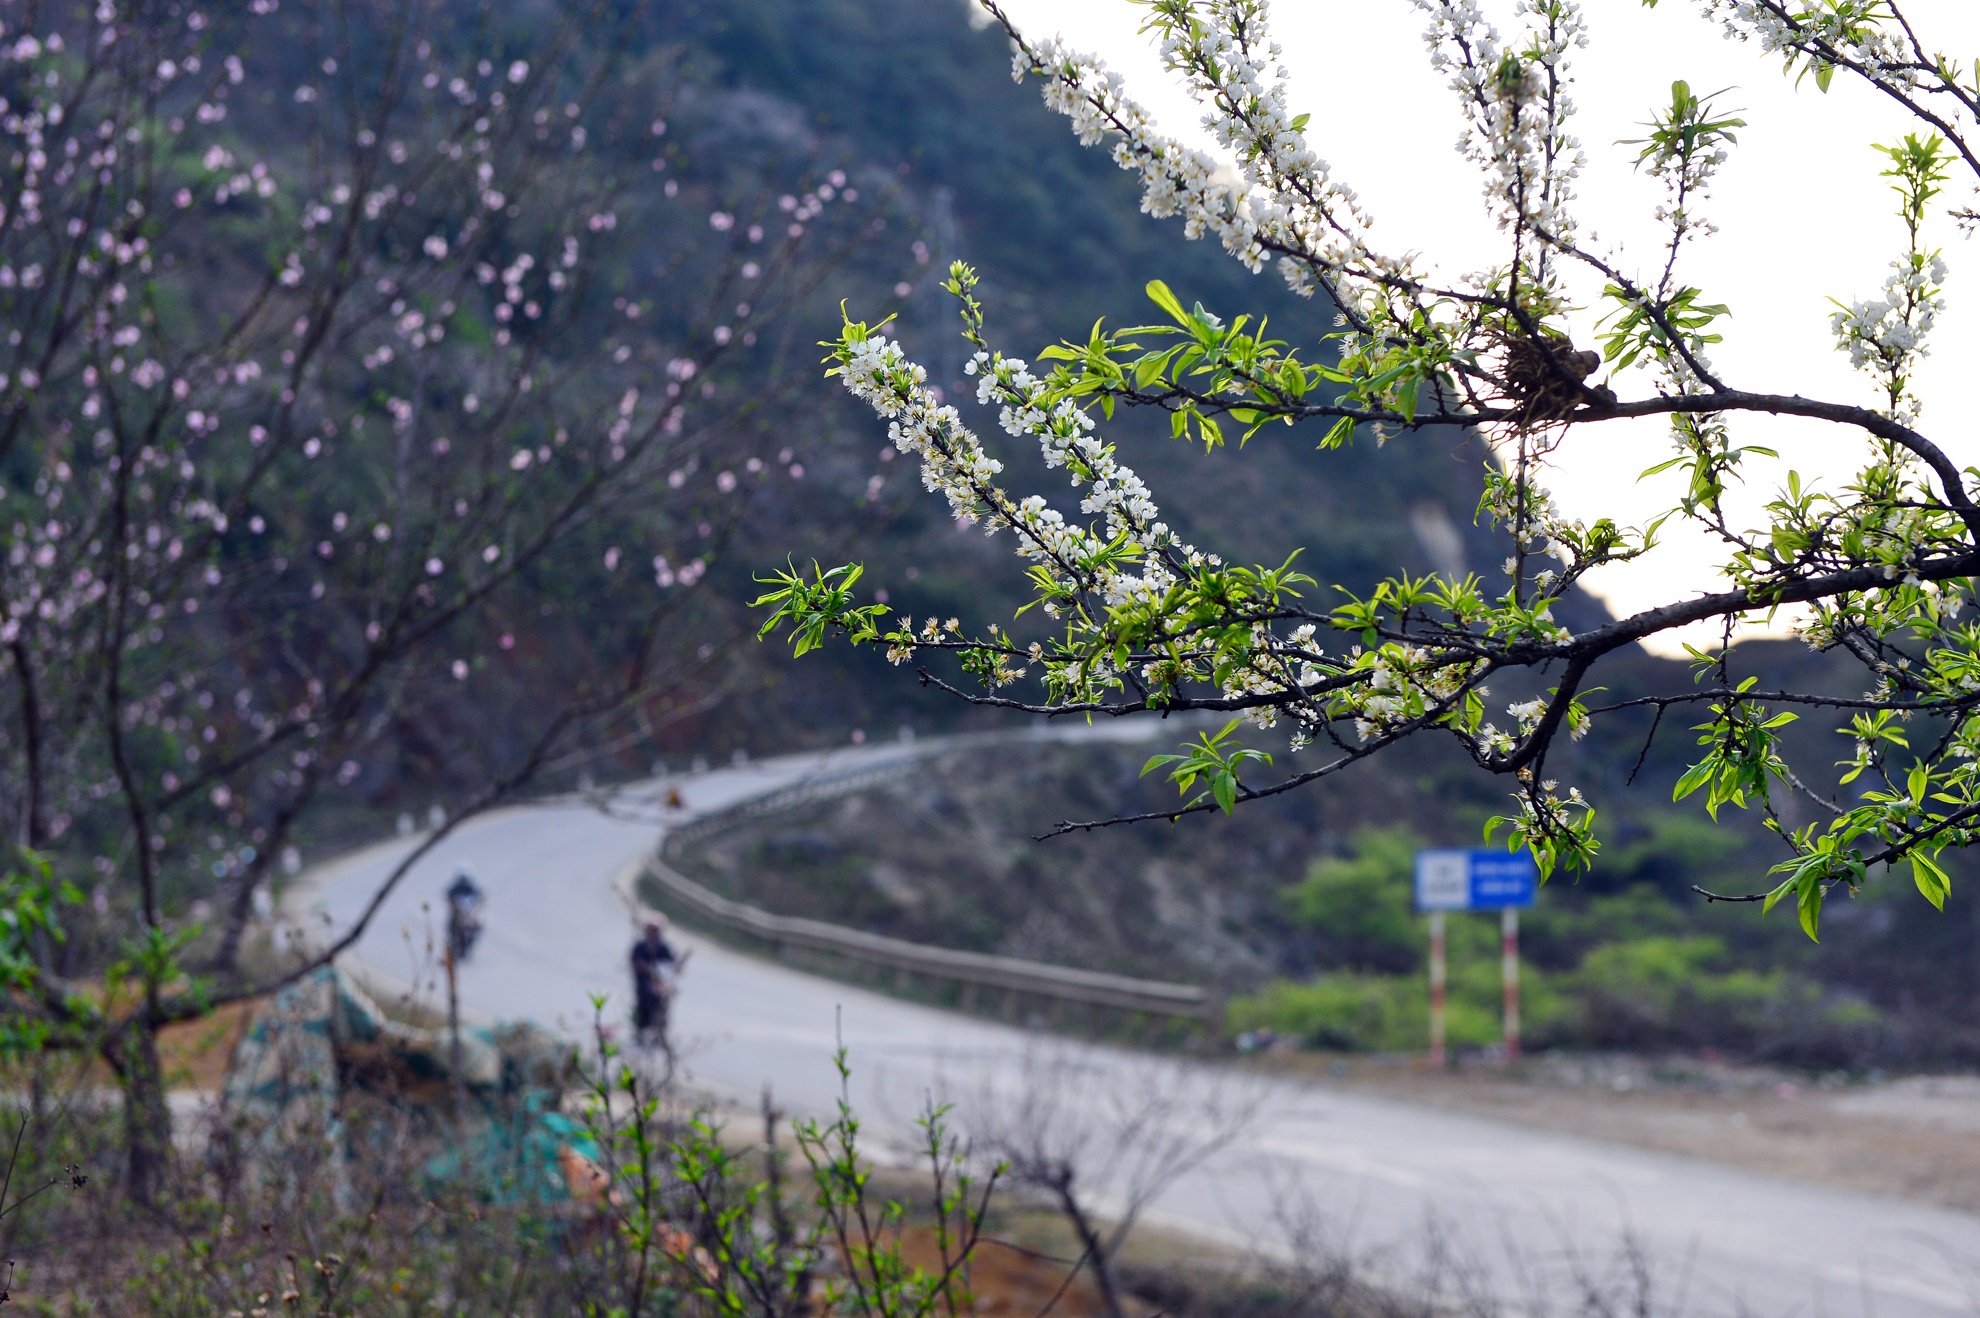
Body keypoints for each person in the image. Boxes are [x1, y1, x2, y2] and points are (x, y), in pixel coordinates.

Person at [630, 917, 678, 1048]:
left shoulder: (664, 948)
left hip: (660, 986)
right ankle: (639, 1032)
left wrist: (663, 978)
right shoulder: (640, 946)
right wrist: (645, 970)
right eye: (651, 929)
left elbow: (672, 966)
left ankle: (658, 1034)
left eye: (656, 930)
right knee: (641, 1009)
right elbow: (635, 962)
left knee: (660, 1009)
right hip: (643, 985)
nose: (653, 932)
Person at [445, 868, 484, 964]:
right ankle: (453, 940)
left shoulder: (472, 888)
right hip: (458, 912)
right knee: (452, 923)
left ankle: (472, 937)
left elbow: (479, 897)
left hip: (468, 913)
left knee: (477, 924)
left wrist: (478, 905)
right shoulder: (455, 888)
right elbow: (449, 896)